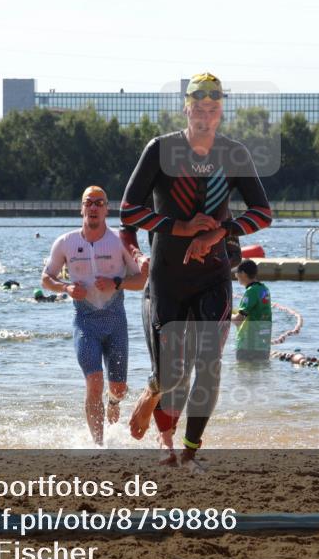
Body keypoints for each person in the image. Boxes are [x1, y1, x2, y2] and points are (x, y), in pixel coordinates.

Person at [121, 71, 272, 466]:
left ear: (220, 112)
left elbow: (263, 212)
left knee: (208, 364)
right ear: (186, 109)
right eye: (198, 108)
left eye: (213, 108)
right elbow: (129, 210)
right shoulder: (160, 150)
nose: (205, 115)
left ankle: (189, 450)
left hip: (213, 277)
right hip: (167, 280)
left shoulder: (234, 154)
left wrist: (221, 232)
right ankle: (154, 391)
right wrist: (181, 227)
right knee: (171, 374)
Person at [42, 186, 147, 445]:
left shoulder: (118, 241)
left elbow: (142, 279)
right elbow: (46, 279)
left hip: (115, 323)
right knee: (94, 381)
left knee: (118, 388)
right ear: (81, 208)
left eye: (99, 203)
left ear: (106, 209)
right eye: (89, 202)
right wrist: (66, 287)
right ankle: (98, 444)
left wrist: (117, 283)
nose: (93, 207)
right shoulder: (65, 242)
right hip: (85, 323)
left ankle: (113, 401)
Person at [231, 259, 272, 361]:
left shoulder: (250, 292)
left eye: (237, 274)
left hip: (248, 346)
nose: (236, 277)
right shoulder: (264, 289)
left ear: (243, 274)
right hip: (263, 345)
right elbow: (254, 313)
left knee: (244, 373)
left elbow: (238, 320)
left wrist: (225, 315)